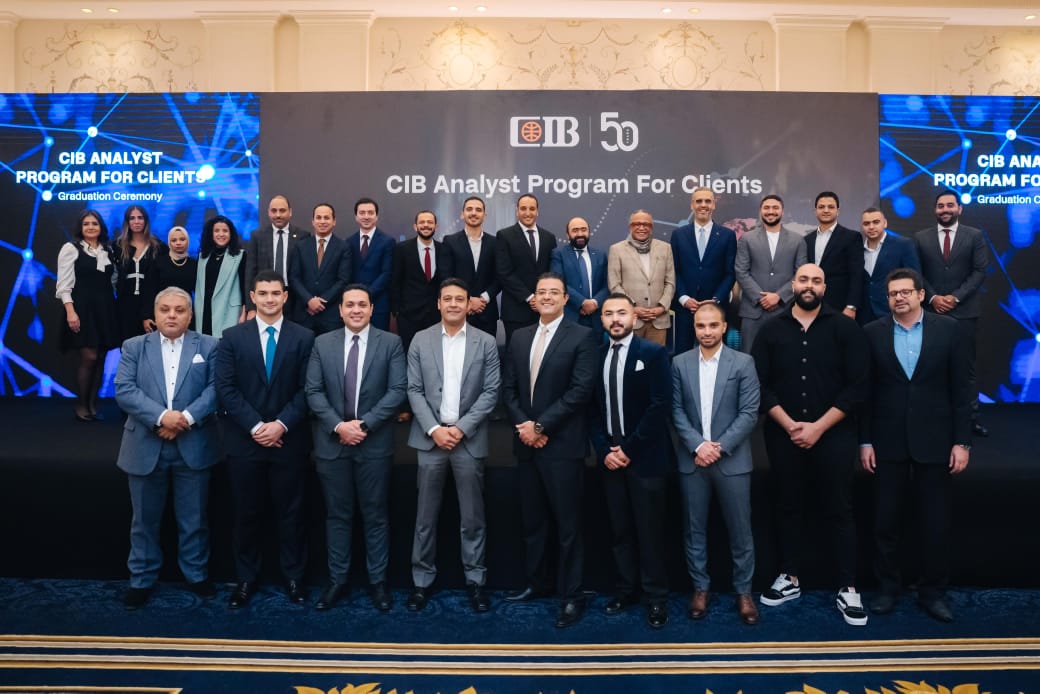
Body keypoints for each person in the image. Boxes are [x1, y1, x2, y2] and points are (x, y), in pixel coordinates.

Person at [751, 263, 869, 626]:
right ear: (792, 284)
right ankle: (790, 577)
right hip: (783, 435)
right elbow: (760, 386)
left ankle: (848, 586)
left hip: (835, 435)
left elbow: (858, 387)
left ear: (824, 288)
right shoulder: (770, 329)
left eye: (816, 280)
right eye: (803, 279)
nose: (809, 285)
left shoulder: (846, 329)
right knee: (788, 506)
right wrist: (791, 426)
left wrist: (818, 427)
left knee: (840, 509)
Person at [860, 268, 971, 623]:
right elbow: (866, 393)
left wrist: (962, 441)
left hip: (936, 440)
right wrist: (865, 440)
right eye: (893, 293)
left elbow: (962, 390)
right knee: (885, 521)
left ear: (921, 295)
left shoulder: (950, 330)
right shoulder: (871, 333)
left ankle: (932, 591)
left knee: (935, 523)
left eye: (906, 292)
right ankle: (887, 588)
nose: (899, 298)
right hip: (886, 440)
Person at [114, 287, 220, 610]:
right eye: (165, 309)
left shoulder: (210, 346)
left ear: (190, 315)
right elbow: (124, 389)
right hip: (145, 444)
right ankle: (141, 579)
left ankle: (196, 575)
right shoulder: (134, 346)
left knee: (194, 519)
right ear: (155, 314)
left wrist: (184, 419)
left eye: (179, 310)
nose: (171, 315)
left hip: (194, 443)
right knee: (144, 521)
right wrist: (162, 417)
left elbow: (216, 389)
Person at [214, 270, 316, 609]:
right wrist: (257, 426)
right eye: (263, 293)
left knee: (292, 513)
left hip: (289, 440)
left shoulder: (305, 337)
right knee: (246, 513)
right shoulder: (231, 337)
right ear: (253, 297)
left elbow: (308, 389)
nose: (270, 299)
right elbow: (226, 389)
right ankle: (246, 579)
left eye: (275, 293)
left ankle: (294, 578)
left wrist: (281, 425)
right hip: (245, 442)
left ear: (285, 297)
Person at [501, 272, 597, 629]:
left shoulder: (582, 336)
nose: (546, 297)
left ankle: (571, 595)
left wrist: (540, 427)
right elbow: (508, 389)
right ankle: (536, 583)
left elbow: (580, 391)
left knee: (568, 526)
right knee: (534, 521)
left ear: (565, 299)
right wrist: (525, 427)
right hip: (526, 445)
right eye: (541, 292)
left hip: (563, 446)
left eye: (554, 292)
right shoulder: (519, 336)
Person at [305, 284, 407, 612]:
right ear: (340, 310)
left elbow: (397, 390)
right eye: (350, 305)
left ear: (372, 308)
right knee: (337, 515)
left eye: (362, 304)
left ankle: (378, 582)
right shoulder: (322, 343)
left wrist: (364, 425)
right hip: (332, 443)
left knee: (375, 515)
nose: (356, 310)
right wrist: (339, 426)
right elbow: (313, 391)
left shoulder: (390, 343)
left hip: (373, 443)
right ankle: (337, 581)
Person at [405, 278, 501, 613]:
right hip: (430, 439)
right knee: (425, 517)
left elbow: (491, 391)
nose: (454, 304)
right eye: (447, 299)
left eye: (460, 299)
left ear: (468, 304)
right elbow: (413, 389)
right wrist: (434, 429)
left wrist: (460, 429)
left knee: (472, 518)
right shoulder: (420, 340)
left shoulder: (486, 342)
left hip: (467, 440)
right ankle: (421, 583)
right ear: (439, 303)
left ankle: (475, 582)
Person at [672, 302, 761, 626]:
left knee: (741, 532)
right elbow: (676, 410)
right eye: (700, 325)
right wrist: (699, 446)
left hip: (732, 461)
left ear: (724, 327)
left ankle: (744, 592)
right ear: (694, 328)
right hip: (693, 460)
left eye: (713, 325)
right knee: (694, 530)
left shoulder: (744, 362)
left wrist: (717, 448)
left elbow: (749, 413)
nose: (706, 331)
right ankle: (700, 588)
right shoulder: (679, 363)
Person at [589, 293, 671, 628]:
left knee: (650, 531)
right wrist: (604, 450)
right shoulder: (595, 356)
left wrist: (629, 450)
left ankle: (656, 597)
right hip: (610, 459)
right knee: (619, 530)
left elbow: (660, 405)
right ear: (602, 320)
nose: (615, 319)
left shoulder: (653, 353)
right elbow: (591, 409)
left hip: (645, 458)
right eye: (609, 313)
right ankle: (626, 590)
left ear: (634, 318)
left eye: (622, 313)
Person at [913, 190, 989, 437]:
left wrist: (955, 297)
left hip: (964, 311)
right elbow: (916, 272)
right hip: (930, 311)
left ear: (959, 208)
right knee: (930, 367)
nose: (945, 210)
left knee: (965, 369)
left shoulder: (974, 236)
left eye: (949, 205)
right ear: (935, 210)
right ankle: (933, 418)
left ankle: (970, 419)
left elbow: (979, 271)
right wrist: (933, 298)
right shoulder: (920, 238)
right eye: (940, 206)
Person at [56, 209, 119, 422]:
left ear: (101, 227)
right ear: (80, 228)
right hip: (82, 309)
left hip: (105, 309)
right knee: (89, 357)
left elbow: (112, 281)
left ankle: (93, 405)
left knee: (100, 357)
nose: (91, 227)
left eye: (94, 223)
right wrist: (70, 311)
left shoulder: (108, 250)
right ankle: (82, 405)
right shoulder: (71, 249)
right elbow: (64, 285)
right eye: (86, 224)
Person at [734, 194, 807, 353]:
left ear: (782, 211)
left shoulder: (798, 240)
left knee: (784, 357)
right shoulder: (747, 239)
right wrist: (761, 298)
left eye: (775, 208)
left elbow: (801, 274)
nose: (771, 211)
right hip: (753, 311)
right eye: (766, 208)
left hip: (785, 310)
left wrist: (779, 296)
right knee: (749, 357)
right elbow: (741, 271)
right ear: (761, 210)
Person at [670, 188, 737, 354]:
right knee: (683, 356)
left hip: (716, 309)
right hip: (686, 309)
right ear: (692, 205)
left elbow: (730, 273)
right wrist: (684, 298)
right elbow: (673, 270)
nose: (703, 205)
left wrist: (715, 300)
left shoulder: (727, 235)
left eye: (708, 201)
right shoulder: (678, 235)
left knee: (715, 355)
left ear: (714, 205)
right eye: (699, 201)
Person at [606, 210, 675, 346]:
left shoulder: (665, 248)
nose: (641, 227)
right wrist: (631, 307)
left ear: (651, 228)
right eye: (637, 224)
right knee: (630, 358)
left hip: (658, 320)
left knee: (656, 358)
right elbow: (614, 284)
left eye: (646, 224)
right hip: (630, 319)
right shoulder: (617, 249)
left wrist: (661, 307)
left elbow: (670, 282)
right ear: (630, 227)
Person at [495, 193, 557, 344]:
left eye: (532, 209)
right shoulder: (504, 235)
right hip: (516, 310)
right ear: (517, 211)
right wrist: (530, 297)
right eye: (523, 208)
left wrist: (542, 297)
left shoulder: (549, 237)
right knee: (517, 353)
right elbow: (504, 272)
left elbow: (552, 272)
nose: (528, 213)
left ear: (537, 211)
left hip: (544, 309)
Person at [288, 203, 353, 336]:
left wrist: (321, 301)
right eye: (318, 218)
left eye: (326, 218)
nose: (322, 221)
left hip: (331, 314)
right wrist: (309, 300)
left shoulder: (343, 247)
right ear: (313, 221)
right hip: (304, 313)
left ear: (334, 221)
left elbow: (343, 280)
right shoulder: (301, 246)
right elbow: (294, 278)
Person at [390, 210, 450, 351]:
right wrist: (396, 310)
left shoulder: (444, 249)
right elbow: (395, 280)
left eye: (430, 222)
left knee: (435, 353)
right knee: (410, 353)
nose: (426, 225)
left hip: (437, 315)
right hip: (408, 315)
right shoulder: (402, 249)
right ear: (415, 226)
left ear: (436, 226)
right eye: (422, 222)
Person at [442, 196, 501, 338]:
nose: (474, 213)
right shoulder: (450, 241)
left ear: (484, 215)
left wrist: (483, 299)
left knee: (487, 351)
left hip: (486, 311)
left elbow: (501, 276)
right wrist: (467, 300)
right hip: (459, 310)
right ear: (462, 214)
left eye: (478, 210)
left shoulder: (495, 242)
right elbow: (446, 276)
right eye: (469, 209)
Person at [244, 194, 309, 320]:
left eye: (282, 210)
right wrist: (251, 308)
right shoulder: (258, 236)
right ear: (268, 212)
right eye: (274, 211)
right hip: (266, 297)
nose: (278, 215)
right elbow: (250, 274)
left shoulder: (302, 236)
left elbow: (306, 272)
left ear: (290, 212)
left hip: (295, 300)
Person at [804, 192, 863, 318]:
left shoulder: (851, 237)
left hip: (840, 306)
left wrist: (851, 306)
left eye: (830, 207)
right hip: (812, 304)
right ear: (815, 211)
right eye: (821, 207)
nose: (826, 210)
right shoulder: (807, 239)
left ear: (838, 211)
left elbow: (857, 274)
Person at [112, 205, 166, 342]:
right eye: (132, 218)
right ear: (127, 222)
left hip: (150, 305)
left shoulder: (158, 247)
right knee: (127, 347)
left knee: (149, 347)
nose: (136, 222)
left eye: (140, 218)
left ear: (146, 220)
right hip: (124, 306)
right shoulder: (117, 246)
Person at [858, 207, 920, 325]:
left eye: (876, 222)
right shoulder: (857, 249)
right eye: (866, 223)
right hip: (863, 315)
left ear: (885, 223)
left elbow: (914, 277)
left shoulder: (903, 245)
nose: (871, 227)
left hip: (893, 312)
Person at [550, 216, 608, 331]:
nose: (580, 234)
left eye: (584, 230)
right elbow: (558, 283)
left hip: (597, 317)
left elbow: (607, 285)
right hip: (570, 315)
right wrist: (582, 302)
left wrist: (594, 303)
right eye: (575, 230)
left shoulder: (600, 255)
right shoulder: (558, 254)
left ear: (589, 232)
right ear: (567, 235)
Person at [345, 197, 394, 331]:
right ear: (356, 217)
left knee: (379, 339)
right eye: (362, 213)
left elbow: (386, 273)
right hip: (353, 303)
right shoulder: (348, 242)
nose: (366, 216)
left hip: (378, 303)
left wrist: (367, 294)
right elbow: (347, 273)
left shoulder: (387, 241)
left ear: (376, 216)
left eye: (370, 213)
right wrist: (355, 295)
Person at [194, 215, 247, 337]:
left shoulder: (240, 256)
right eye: (216, 231)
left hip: (229, 311)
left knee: (226, 343)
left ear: (231, 234)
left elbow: (245, 286)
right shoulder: (202, 256)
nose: (221, 234)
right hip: (204, 310)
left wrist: (244, 311)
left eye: (225, 231)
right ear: (211, 234)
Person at [142, 226, 198, 329]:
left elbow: (199, 293)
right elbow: (149, 290)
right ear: (169, 243)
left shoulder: (195, 264)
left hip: (185, 313)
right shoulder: (158, 262)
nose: (178, 243)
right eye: (174, 240)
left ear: (188, 241)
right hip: (163, 312)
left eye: (182, 239)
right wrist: (147, 316)